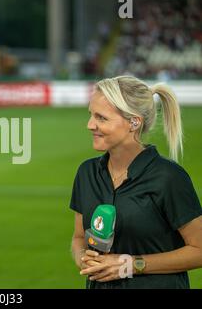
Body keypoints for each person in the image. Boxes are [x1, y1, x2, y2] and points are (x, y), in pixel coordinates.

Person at [70, 75, 202, 289]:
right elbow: (78, 238)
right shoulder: (87, 173)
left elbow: (199, 250)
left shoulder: (168, 177)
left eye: (101, 118)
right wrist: (84, 258)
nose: (90, 125)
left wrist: (131, 264)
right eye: (91, 115)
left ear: (134, 122)